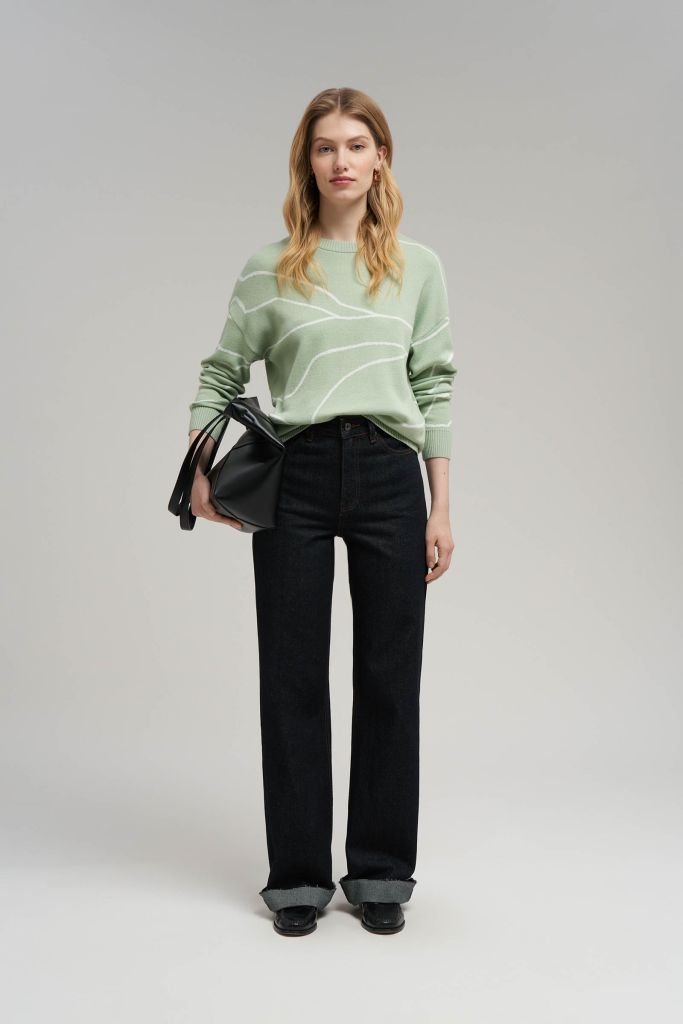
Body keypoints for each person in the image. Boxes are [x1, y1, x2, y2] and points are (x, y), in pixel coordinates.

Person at [186, 87, 457, 937]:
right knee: (293, 676)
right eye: (324, 146)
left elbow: (433, 383)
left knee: (389, 678)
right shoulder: (271, 267)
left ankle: (379, 872)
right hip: (295, 475)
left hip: (389, 475)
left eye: (356, 144)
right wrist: (198, 468)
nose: (341, 160)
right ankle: (297, 879)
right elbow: (221, 372)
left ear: (381, 158)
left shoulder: (417, 266)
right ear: (306, 162)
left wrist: (440, 505)